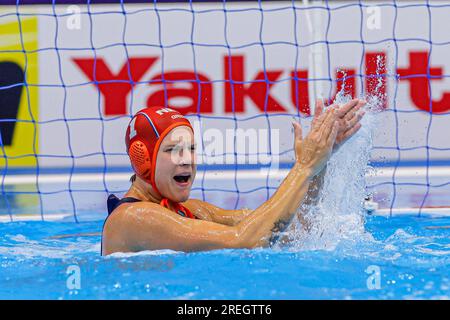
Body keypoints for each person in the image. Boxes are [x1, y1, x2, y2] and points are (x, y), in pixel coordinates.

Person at [101, 99, 365, 255]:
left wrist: (319, 165)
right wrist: (305, 166)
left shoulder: (188, 211)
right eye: (172, 150)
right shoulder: (132, 219)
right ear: (142, 160)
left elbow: (293, 230)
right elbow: (247, 241)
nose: (187, 159)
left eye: (191, 149)